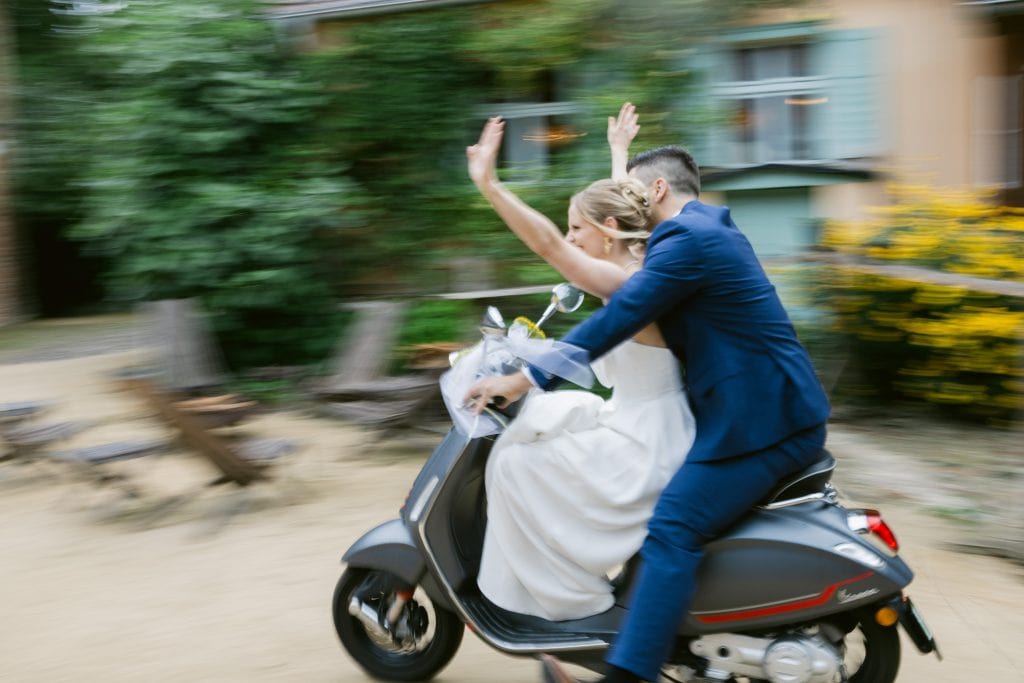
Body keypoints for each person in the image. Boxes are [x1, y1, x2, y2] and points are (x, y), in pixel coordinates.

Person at [466, 103, 831, 683]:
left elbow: (612, 300)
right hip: (752, 410)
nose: (629, 200)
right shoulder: (699, 231)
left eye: (636, 190)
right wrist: (618, 155)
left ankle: (629, 673)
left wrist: (525, 378)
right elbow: (620, 225)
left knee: (674, 527)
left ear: (656, 191)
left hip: (764, 425)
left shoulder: (684, 243)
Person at [465, 107, 696, 622]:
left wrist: (490, 185)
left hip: (647, 443)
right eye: (568, 228)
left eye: (576, 228)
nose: (569, 238)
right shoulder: (639, 267)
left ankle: (572, 607)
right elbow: (623, 209)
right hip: (644, 421)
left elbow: (546, 243)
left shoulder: (629, 283)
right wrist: (619, 153)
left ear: (608, 231)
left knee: (515, 465)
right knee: (534, 431)